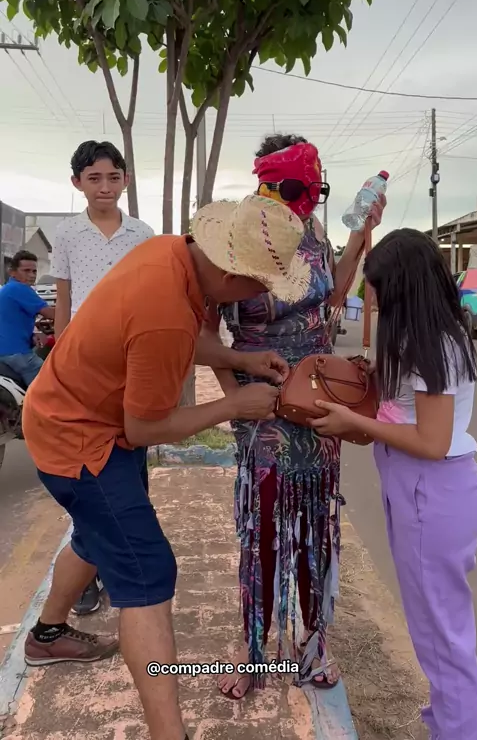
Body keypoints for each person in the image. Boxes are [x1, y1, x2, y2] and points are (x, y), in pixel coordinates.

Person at [22, 194, 307, 740]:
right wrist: (232, 406)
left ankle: (48, 634)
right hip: (81, 441)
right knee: (148, 572)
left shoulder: (171, 253)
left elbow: (187, 339)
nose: (260, 295)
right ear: (229, 273)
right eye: (259, 284)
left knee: (100, 534)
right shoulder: (165, 313)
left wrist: (237, 359)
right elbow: (144, 429)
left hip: (74, 415)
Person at [205, 134, 386, 698]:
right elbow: (203, 336)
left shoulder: (313, 233)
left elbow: (330, 297)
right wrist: (235, 405)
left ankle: (314, 639)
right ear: (269, 183)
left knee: (315, 527)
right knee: (261, 528)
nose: (306, 199)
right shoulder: (233, 236)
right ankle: (253, 647)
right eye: (297, 188)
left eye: (315, 188)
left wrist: (360, 235)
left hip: (319, 402)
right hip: (259, 407)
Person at [310, 228, 477, 740]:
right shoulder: (420, 336)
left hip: (431, 487)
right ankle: (446, 723)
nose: (373, 299)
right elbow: (407, 408)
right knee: (433, 627)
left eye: (380, 289)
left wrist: (352, 420)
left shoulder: (436, 346)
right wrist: (374, 378)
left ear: (406, 288)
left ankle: (459, 729)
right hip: (417, 487)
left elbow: (431, 441)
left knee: (442, 635)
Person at [52, 139, 154, 616]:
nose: (105, 187)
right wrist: (59, 363)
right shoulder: (67, 234)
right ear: (78, 183)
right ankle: (86, 570)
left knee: (131, 463)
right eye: (94, 178)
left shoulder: (142, 234)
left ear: (126, 180)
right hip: (82, 368)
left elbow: (150, 298)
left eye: (113, 177)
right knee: (87, 471)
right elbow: (64, 302)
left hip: (130, 365)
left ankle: (121, 568)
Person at [0, 250, 55, 387]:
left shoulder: (8, 289)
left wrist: (34, 333)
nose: (32, 275)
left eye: (34, 271)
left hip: (6, 351)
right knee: (49, 385)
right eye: (26, 271)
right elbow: (53, 314)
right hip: (16, 353)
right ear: (12, 272)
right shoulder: (20, 289)